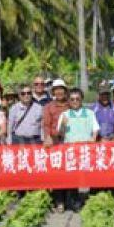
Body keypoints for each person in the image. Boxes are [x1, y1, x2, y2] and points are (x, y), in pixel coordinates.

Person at [58, 88, 99, 211]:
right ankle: (74, 202)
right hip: (70, 151)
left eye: (77, 99)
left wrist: (93, 137)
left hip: (86, 151)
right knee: (72, 177)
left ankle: (89, 200)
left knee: (88, 176)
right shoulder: (64, 114)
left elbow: (95, 128)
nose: (75, 101)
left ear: (81, 100)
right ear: (69, 101)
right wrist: (63, 125)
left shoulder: (89, 113)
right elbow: (60, 133)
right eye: (72, 99)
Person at [43, 79, 70, 212]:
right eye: (56, 89)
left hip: (70, 141)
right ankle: (59, 200)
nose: (59, 92)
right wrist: (47, 137)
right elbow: (46, 125)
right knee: (57, 171)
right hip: (55, 142)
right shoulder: (49, 107)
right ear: (53, 92)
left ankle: (71, 198)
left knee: (70, 170)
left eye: (61, 89)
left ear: (65, 91)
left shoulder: (71, 105)